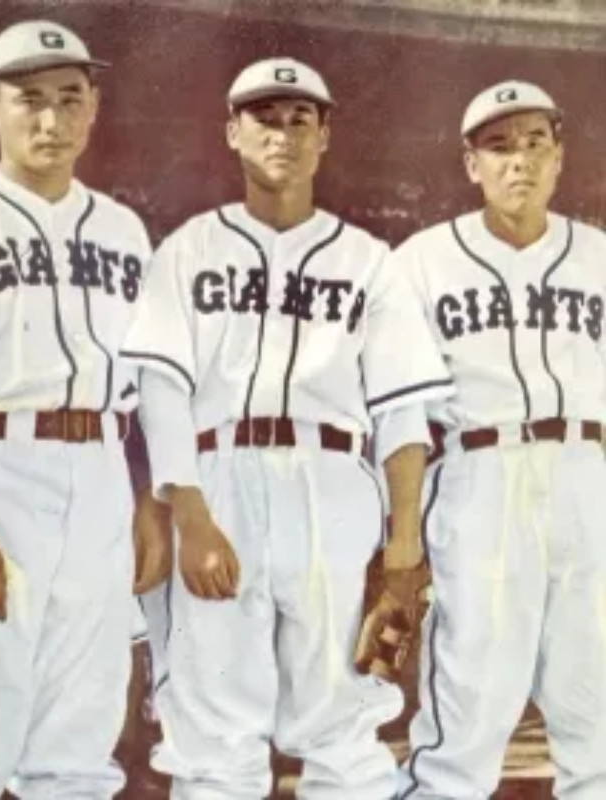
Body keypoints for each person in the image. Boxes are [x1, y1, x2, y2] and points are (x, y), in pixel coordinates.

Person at [122, 57, 453, 799]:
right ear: (232, 133)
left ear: (323, 136)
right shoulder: (188, 248)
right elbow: (161, 391)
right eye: (264, 119)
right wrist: (191, 515)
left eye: (300, 119)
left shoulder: (369, 261)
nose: (282, 133)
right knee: (212, 731)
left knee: (344, 725)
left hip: (332, 482)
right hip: (217, 475)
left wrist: (403, 545)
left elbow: (401, 412)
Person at [0, 19, 170, 800]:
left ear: (93, 107)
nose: (51, 120)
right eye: (29, 99)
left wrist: (144, 500)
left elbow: (138, 388)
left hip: (99, 477)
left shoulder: (123, 231)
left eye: (69, 98)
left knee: (79, 743)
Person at [395, 80, 606, 800]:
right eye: (498, 146)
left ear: (559, 156)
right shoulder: (420, 261)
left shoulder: (598, 256)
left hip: (586, 471)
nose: (519, 160)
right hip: (480, 472)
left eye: (534, 143)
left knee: (596, 711)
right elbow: (399, 409)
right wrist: (400, 536)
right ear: (471, 163)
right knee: (468, 710)